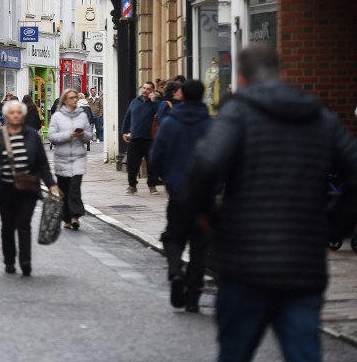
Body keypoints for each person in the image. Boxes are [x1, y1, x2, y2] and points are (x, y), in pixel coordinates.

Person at [187, 46, 357, 361]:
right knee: (304, 353)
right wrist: (335, 224)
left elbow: (205, 165)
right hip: (303, 264)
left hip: (244, 262)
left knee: (235, 353)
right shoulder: (320, 116)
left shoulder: (237, 113)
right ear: (285, 76)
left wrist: (206, 215)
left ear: (241, 78)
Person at [149, 80, 211, 313]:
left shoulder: (171, 123)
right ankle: (193, 298)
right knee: (200, 245)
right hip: (204, 194)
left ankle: (175, 271)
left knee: (173, 237)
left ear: (182, 94)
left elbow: (156, 155)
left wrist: (165, 177)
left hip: (178, 191)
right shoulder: (211, 125)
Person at [0, 100, 58, 276]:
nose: (16, 115)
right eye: (12, 112)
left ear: (22, 115)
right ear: (7, 116)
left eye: (19, 112)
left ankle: (25, 261)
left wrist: (51, 184)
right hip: (4, 189)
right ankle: (9, 260)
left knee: (24, 224)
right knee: (7, 225)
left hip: (27, 189)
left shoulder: (32, 136)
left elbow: (42, 164)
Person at [48, 90, 91, 230]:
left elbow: (89, 136)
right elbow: (52, 136)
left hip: (78, 158)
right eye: (72, 98)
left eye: (76, 98)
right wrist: (68, 135)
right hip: (62, 158)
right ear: (65, 100)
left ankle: (75, 217)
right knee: (64, 190)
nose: (75, 100)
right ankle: (66, 218)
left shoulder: (82, 116)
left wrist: (83, 134)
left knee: (75, 187)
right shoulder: (57, 117)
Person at [120, 81, 160, 195]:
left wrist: (155, 101)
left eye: (148, 89)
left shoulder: (155, 104)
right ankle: (132, 185)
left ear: (152, 91)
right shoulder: (134, 102)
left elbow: (161, 113)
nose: (145, 90)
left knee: (151, 163)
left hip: (150, 139)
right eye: (144, 88)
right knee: (132, 164)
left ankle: (152, 186)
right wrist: (124, 131)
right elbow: (127, 117)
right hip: (135, 138)